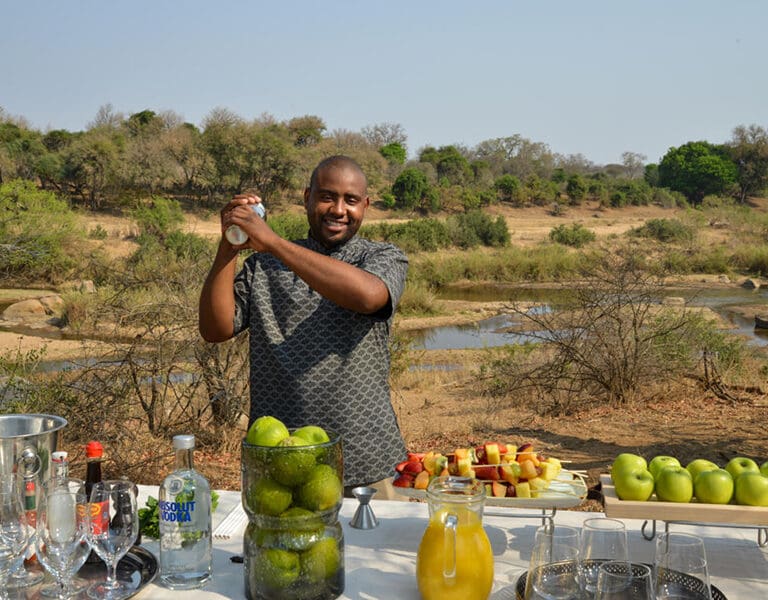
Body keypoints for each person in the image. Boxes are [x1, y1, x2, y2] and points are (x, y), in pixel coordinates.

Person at [199, 155, 409, 494]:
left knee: (368, 547)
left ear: (366, 205)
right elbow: (215, 328)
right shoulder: (263, 266)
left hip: (366, 462)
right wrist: (229, 244)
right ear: (306, 197)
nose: (339, 209)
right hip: (278, 464)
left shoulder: (382, 257)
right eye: (327, 196)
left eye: (351, 200)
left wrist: (273, 243)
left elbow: (369, 297)